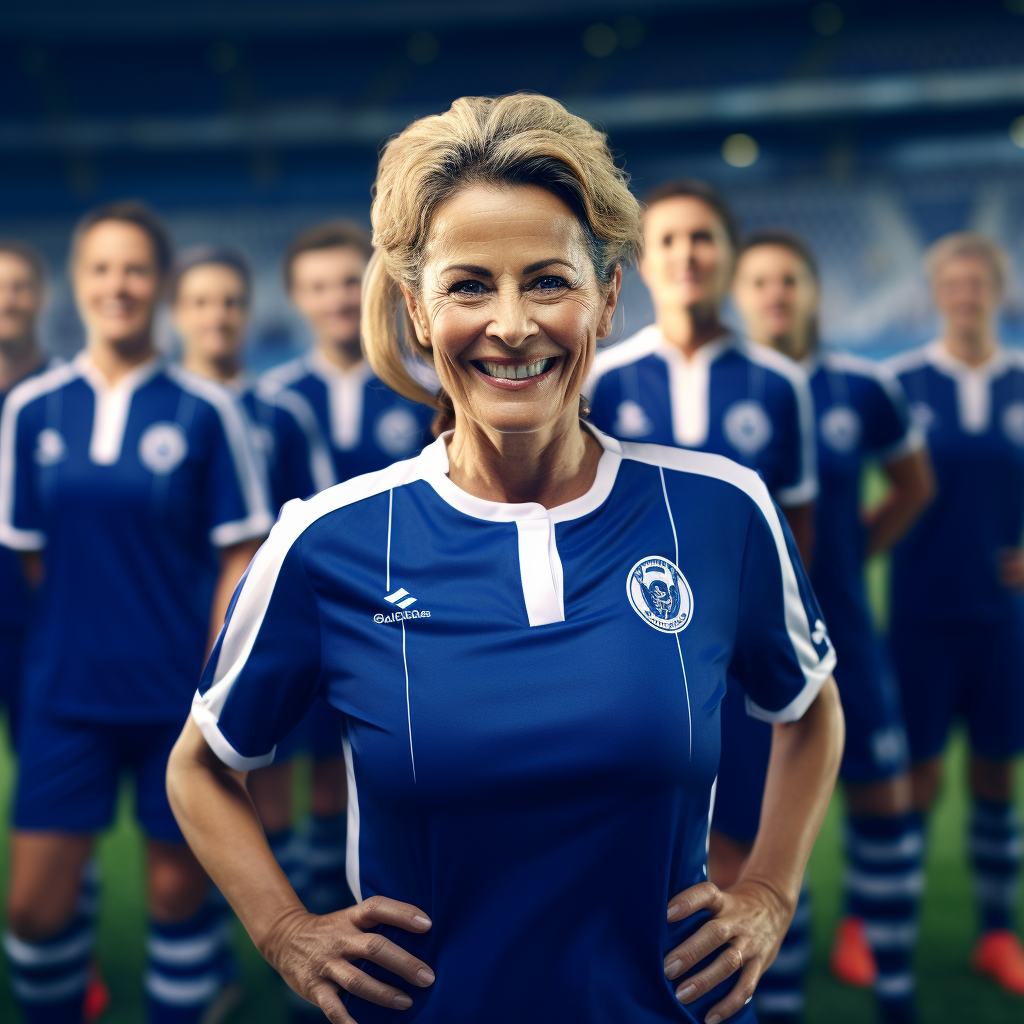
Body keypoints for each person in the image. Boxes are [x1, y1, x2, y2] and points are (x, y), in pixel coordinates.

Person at [167, 92, 844, 1024]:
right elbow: (200, 767)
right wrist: (287, 932)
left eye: (549, 281)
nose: (513, 324)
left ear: (608, 296)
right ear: (416, 307)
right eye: (469, 285)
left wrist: (768, 893)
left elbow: (809, 709)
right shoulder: (329, 541)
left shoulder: (719, 510)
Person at [0, 202, 273, 1024]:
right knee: (33, 913)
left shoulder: (204, 410)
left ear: (158, 285)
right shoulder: (32, 411)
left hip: (171, 702)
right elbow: (34, 555)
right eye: (101, 269)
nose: (117, 285)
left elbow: (239, 554)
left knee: (173, 901)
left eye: (135, 269)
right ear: (76, 285)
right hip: (64, 696)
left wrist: (210, 678)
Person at [586, 180, 819, 1022]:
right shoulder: (603, 377)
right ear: (642, 263)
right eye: (670, 240)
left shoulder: (777, 382)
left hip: (741, 663)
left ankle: (764, 994)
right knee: (660, 863)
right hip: (640, 663)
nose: (687, 256)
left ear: (727, 254)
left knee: (750, 852)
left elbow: (797, 530)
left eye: (704, 240)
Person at [734, 230, 935, 1024]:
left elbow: (914, 486)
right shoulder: (733, 389)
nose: (777, 294)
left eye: (790, 280)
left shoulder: (863, 384)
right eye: (761, 282)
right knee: (767, 831)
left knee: (884, 805)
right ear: (741, 296)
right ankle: (780, 997)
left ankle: (896, 993)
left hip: (849, 632)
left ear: (814, 291)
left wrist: (852, 560)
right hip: (755, 654)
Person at [171, 244, 344, 1016]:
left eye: (229, 302)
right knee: (207, 792)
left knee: (297, 792)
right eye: (201, 303)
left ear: (247, 311)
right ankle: (219, 959)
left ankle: (305, 951)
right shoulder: (173, 405)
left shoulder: (282, 409)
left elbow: (319, 522)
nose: (217, 317)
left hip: (280, 637)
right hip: (174, 634)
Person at [886, 232, 1024, 996]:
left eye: (980, 283)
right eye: (955, 283)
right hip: (920, 616)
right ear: (939, 293)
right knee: (916, 780)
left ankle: (998, 933)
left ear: (996, 292)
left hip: (1001, 619)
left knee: (998, 777)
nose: (967, 295)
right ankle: (875, 923)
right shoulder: (899, 382)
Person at [266, 221, 435, 480]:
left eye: (350, 283)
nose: (337, 300)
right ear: (295, 297)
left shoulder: (425, 387)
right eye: (318, 287)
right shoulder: (274, 396)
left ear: (375, 286)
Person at [0, 240, 51, 747]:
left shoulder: (63, 399)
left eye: (18, 287)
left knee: (38, 764)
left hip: (37, 619)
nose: (7, 300)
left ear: (41, 296)